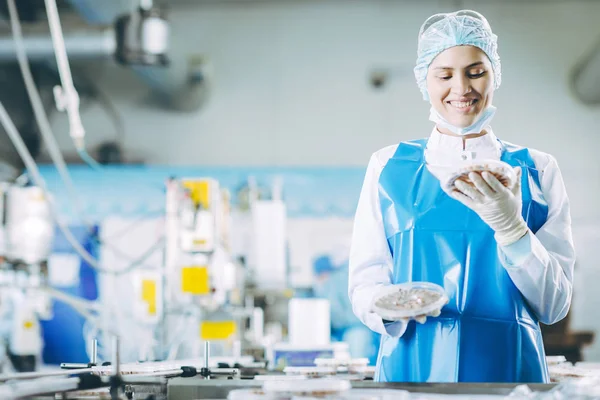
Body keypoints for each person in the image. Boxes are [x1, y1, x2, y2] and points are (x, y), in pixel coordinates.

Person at [348, 10, 575, 383]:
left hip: (509, 373)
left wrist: (513, 230)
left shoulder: (537, 170)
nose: (461, 88)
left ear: (494, 75)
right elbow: (364, 284)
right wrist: (388, 305)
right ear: (424, 79)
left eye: (475, 72)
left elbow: (554, 305)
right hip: (412, 372)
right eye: (445, 74)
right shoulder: (387, 166)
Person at [313, 248, 378, 364]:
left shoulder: (333, 282)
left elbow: (336, 313)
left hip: (355, 329)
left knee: (358, 365)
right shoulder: (340, 278)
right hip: (358, 328)